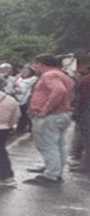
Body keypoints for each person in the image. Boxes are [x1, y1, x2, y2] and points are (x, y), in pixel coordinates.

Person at [25, 53, 75, 186]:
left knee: (48, 145)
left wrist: (45, 109)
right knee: (58, 145)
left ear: (41, 64)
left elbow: (59, 90)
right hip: (62, 114)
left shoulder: (49, 75)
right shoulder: (64, 75)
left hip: (51, 116)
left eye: (35, 64)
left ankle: (50, 175)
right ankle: (55, 171)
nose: (35, 67)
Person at [71, 64, 90, 174]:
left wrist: (76, 111)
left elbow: (81, 97)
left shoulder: (86, 80)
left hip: (86, 112)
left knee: (86, 139)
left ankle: (86, 165)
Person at [12, 65, 37, 134]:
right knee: (18, 113)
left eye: (27, 71)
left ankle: (26, 126)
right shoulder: (19, 77)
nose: (24, 72)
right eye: (23, 70)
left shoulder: (34, 79)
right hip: (17, 96)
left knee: (24, 113)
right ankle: (20, 127)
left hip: (26, 98)